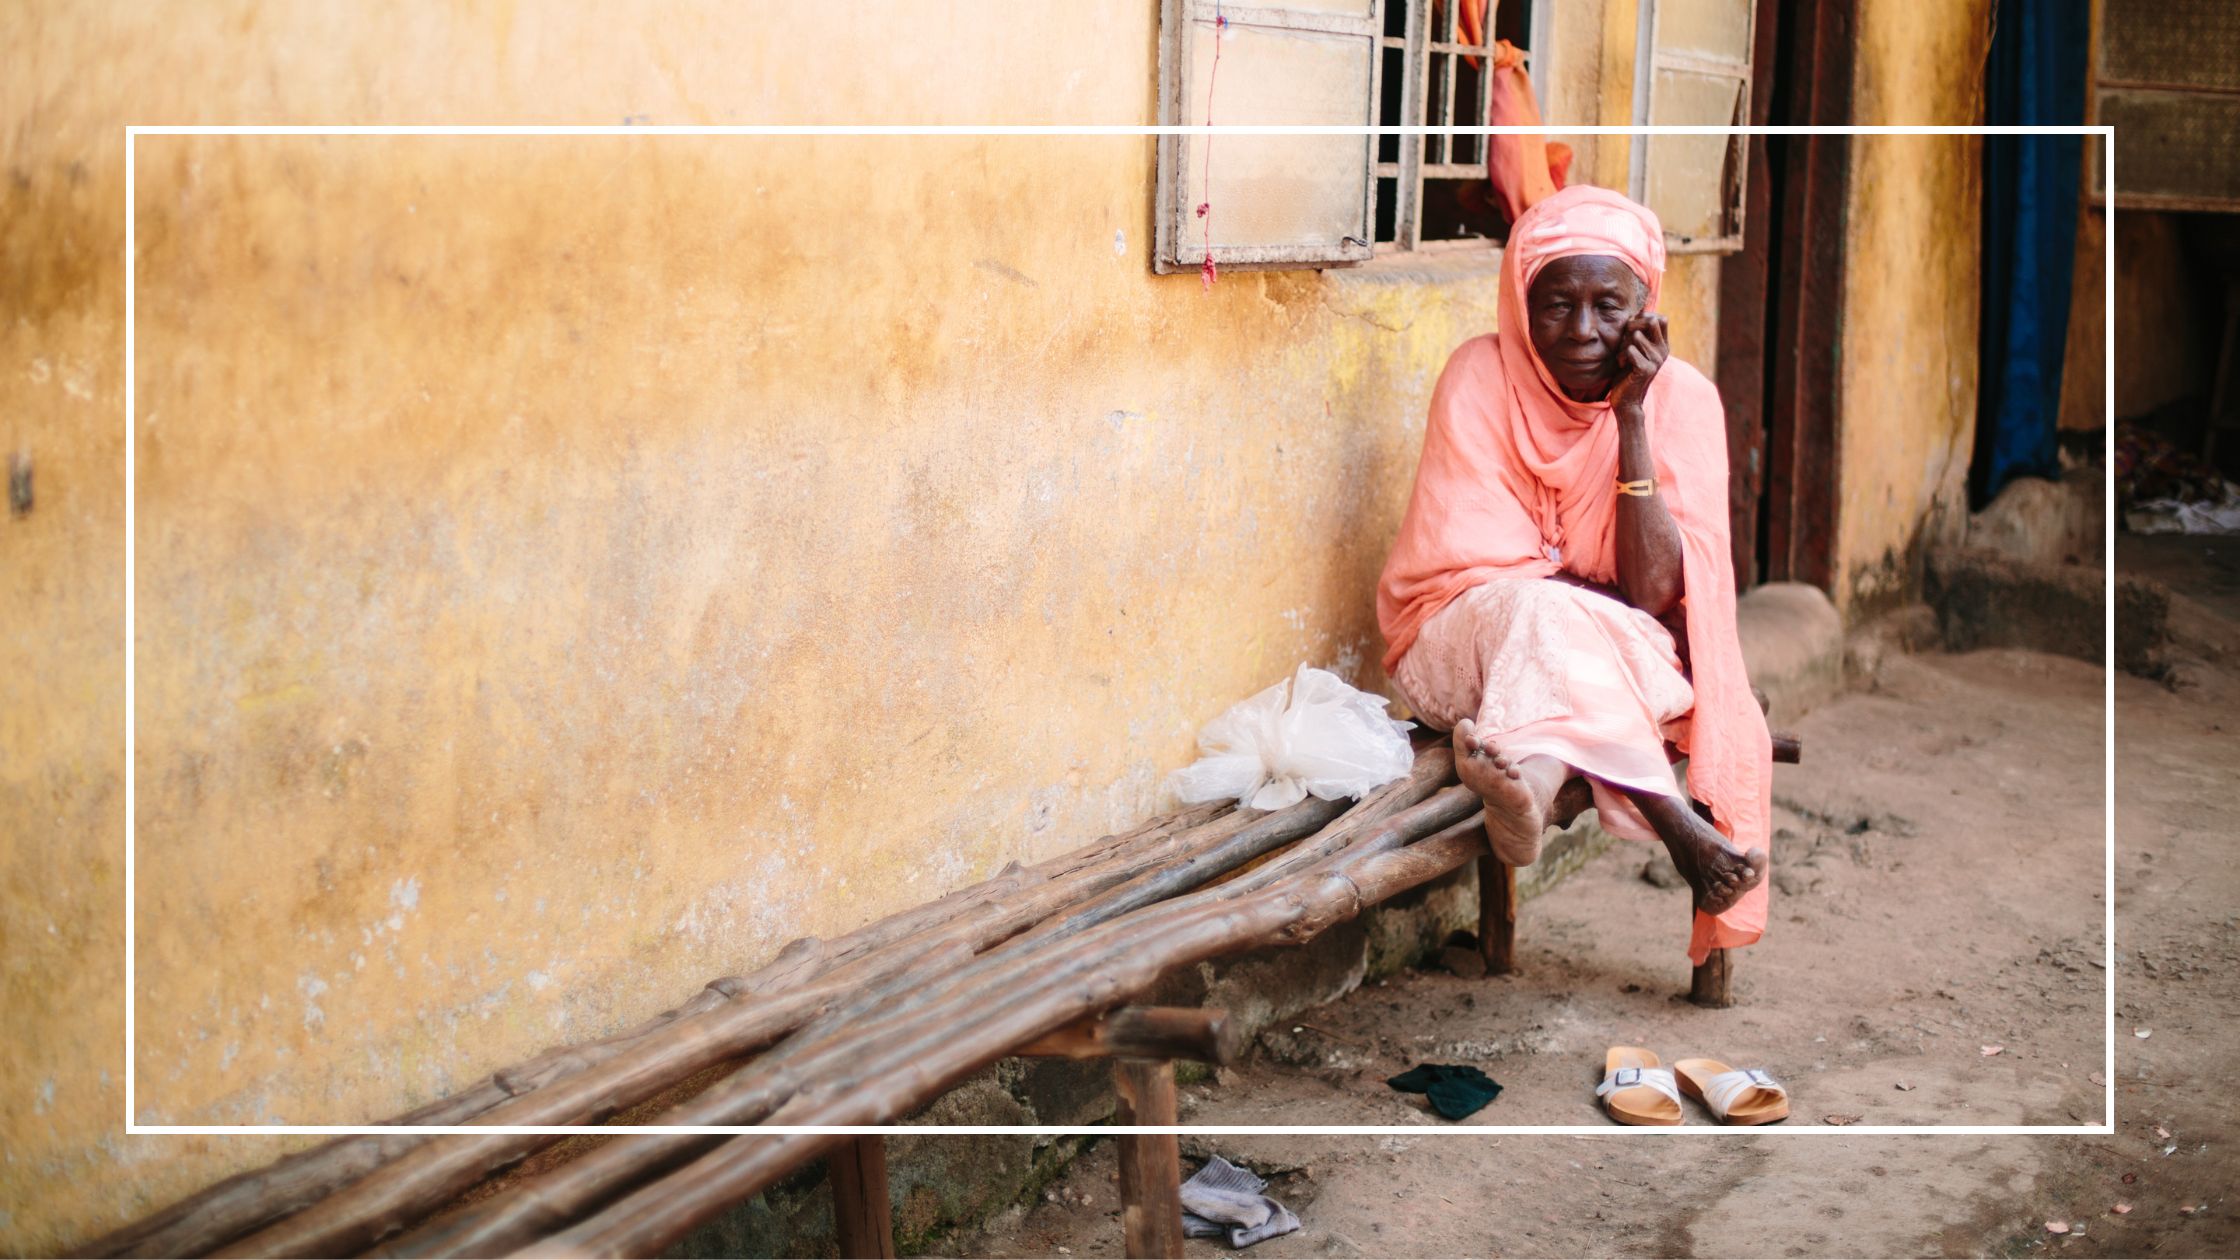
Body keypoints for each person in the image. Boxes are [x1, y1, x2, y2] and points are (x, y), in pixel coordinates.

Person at [1376, 184, 1772, 964]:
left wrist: (1630, 418)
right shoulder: (1478, 377)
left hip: (1627, 656)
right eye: (1557, 305)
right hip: (1458, 648)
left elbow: (1657, 593)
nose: (1584, 331)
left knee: (1549, 617)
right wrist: (1585, 593)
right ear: (1521, 303)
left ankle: (1531, 778)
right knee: (1536, 614)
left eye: (1609, 306)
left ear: (1646, 309)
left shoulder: (1681, 402)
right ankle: (1679, 830)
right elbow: (1476, 576)